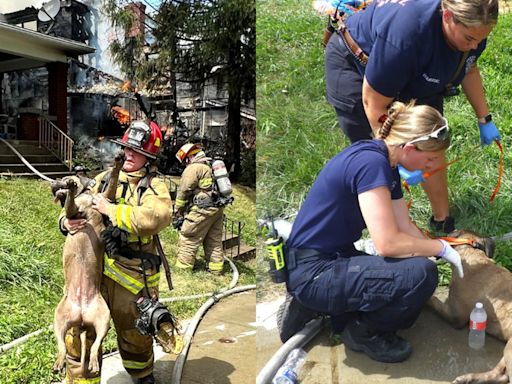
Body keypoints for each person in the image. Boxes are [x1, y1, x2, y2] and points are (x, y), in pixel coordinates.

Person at [278, 101, 464, 363]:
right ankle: (365, 333)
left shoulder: (384, 163)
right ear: (410, 148)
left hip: (328, 258)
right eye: (430, 158)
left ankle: (320, 306)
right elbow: (388, 243)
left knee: (415, 267)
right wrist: (439, 250)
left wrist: (442, 249)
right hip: (315, 270)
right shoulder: (371, 164)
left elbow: (404, 226)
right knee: (421, 275)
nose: (430, 166)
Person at [325, 0, 501, 233]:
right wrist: (394, 154)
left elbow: (469, 68)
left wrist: (484, 119)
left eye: (481, 39)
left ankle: (442, 221)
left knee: (431, 142)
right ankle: (395, 237)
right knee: (378, 163)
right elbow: (373, 103)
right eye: (469, 39)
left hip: (415, 72)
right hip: (358, 65)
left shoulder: (473, 31)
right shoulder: (407, 34)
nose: (475, 45)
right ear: (447, 16)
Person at [60, 120, 172, 384]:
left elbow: (157, 216)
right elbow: (78, 206)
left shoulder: (154, 186)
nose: (129, 155)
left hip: (131, 280)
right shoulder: (102, 180)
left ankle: (142, 376)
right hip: (92, 276)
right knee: (78, 333)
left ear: (149, 156)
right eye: (126, 149)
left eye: (137, 151)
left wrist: (111, 211)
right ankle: (82, 380)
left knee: (135, 334)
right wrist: (65, 222)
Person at [173, 143, 225, 274]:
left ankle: (183, 267)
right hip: (216, 208)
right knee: (214, 239)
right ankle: (216, 268)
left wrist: (177, 209)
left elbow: (184, 190)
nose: (185, 165)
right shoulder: (209, 166)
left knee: (189, 235)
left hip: (202, 209)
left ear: (188, 158)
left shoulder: (193, 168)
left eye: (185, 162)